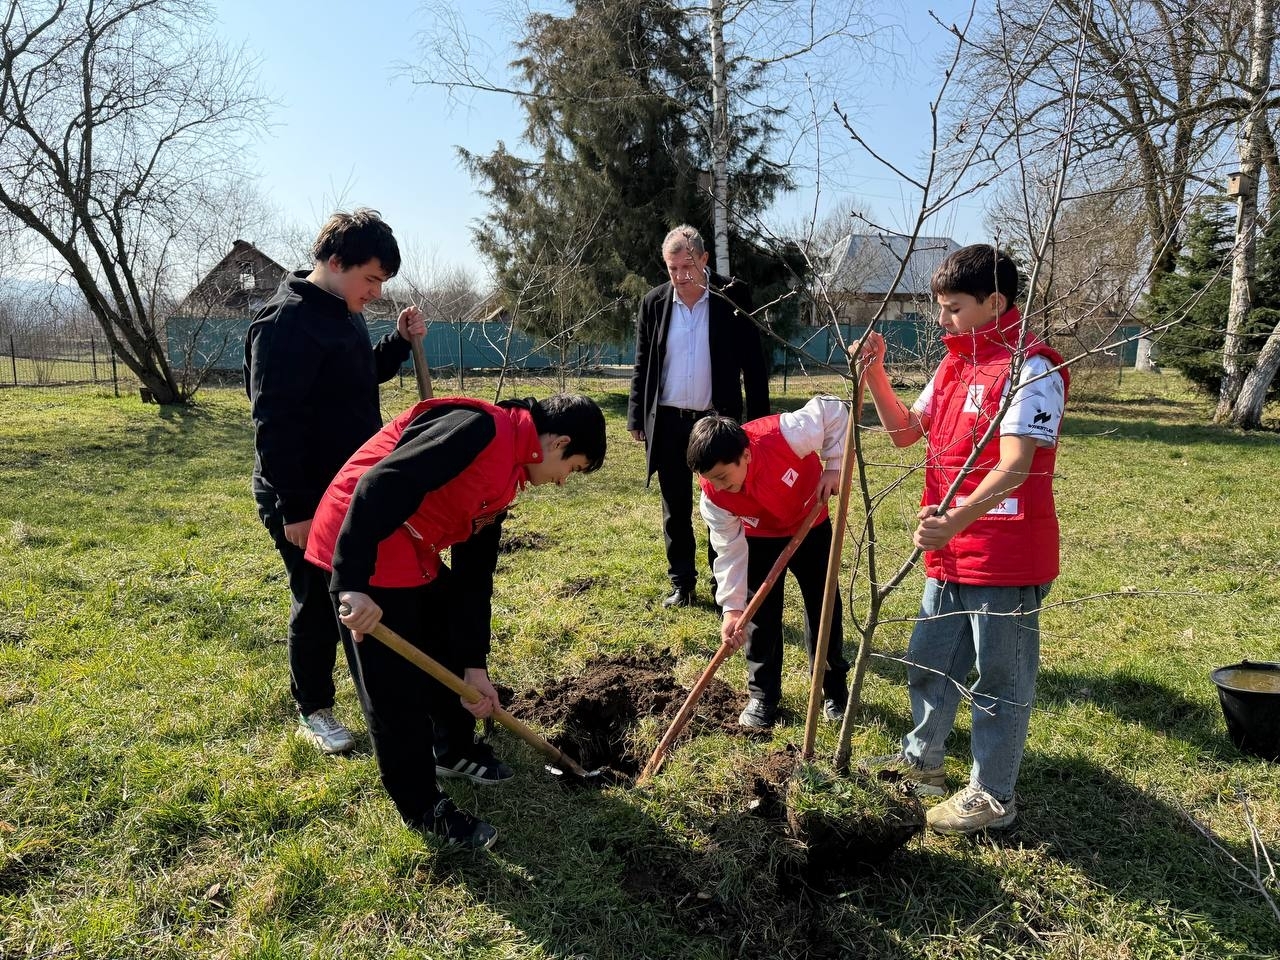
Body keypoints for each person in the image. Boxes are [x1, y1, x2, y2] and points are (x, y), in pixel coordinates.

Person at [304, 394, 607, 849]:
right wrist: (351, 583)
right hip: (362, 539)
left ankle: (453, 748)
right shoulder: (480, 430)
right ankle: (422, 806)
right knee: (394, 689)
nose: (564, 482)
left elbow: (473, 579)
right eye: (574, 469)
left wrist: (474, 666)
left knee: (447, 629)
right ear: (559, 443)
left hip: (410, 545)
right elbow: (377, 485)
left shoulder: (509, 475)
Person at [855, 244, 1068, 835]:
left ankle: (993, 794)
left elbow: (1016, 467)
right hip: (948, 553)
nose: (942, 320)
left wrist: (956, 520)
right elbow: (903, 432)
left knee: (1000, 678)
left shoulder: (1032, 367)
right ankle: (921, 761)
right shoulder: (954, 365)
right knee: (930, 659)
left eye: (952, 308)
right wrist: (873, 370)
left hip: (1003, 556)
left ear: (994, 303)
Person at [245, 208, 425, 755]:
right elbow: (273, 425)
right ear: (334, 261)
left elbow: (357, 375)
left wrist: (395, 345)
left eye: (381, 284)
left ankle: (377, 691)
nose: (374, 293)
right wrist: (295, 507)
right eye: (370, 280)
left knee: (355, 589)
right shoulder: (284, 324)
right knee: (318, 599)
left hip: (348, 488)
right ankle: (314, 708)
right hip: (300, 496)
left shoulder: (341, 309)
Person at [627, 225, 770, 609]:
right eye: (672, 268)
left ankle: (721, 586)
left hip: (714, 422)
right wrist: (637, 416)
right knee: (675, 505)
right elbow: (643, 363)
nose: (680, 276)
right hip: (670, 421)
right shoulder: (654, 303)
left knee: (721, 502)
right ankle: (682, 584)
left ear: (704, 260)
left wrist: (758, 423)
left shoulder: (731, 296)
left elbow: (754, 366)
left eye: (687, 266)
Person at [687, 397, 852, 729]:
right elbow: (729, 551)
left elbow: (835, 410)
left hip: (810, 522)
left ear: (745, 454)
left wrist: (834, 465)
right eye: (711, 479)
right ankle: (763, 697)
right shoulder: (714, 497)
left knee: (824, 607)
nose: (719, 485)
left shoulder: (786, 434)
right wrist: (733, 609)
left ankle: (833, 689)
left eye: (723, 476)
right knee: (759, 615)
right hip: (759, 537)